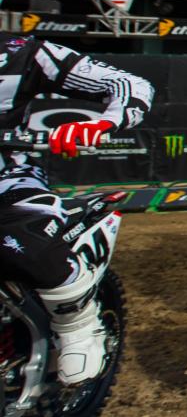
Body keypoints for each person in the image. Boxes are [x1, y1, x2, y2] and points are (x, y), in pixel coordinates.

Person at [0, 38, 153, 384]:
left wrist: (100, 124)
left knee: (22, 237)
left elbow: (128, 84)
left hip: (8, 178)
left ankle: (77, 324)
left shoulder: (22, 52)